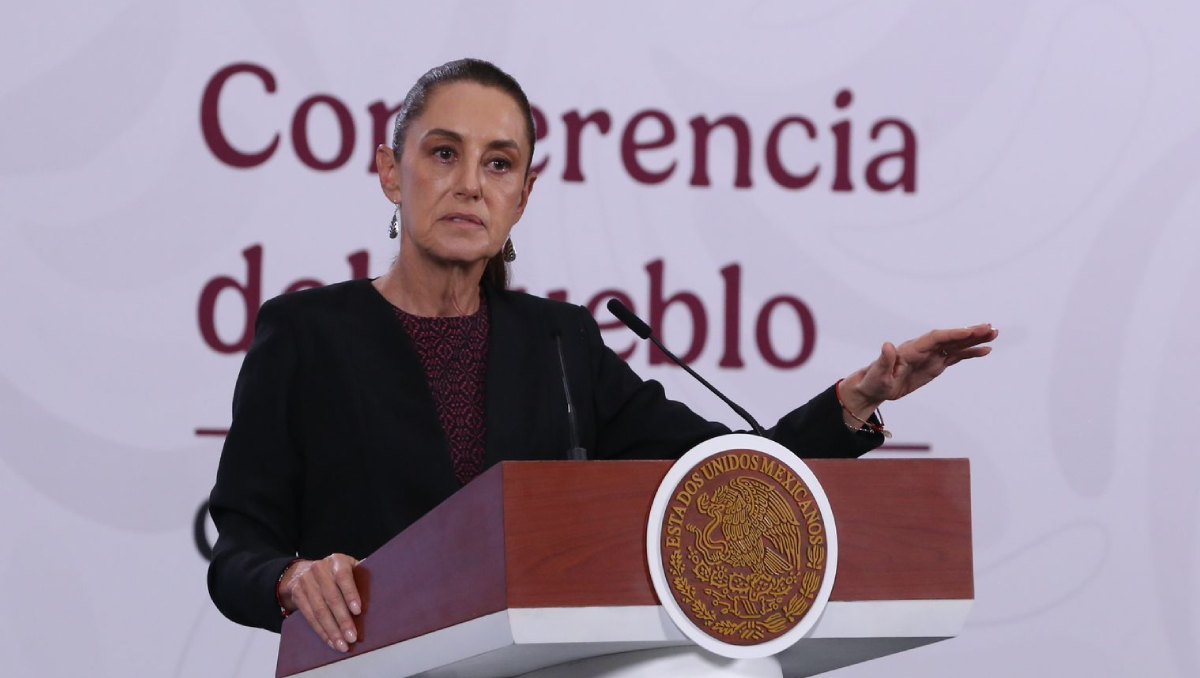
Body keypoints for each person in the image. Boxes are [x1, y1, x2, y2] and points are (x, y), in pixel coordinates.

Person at [206, 58, 997, 654]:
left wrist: (855, 401)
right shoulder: (306, 334)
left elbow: (725, 479)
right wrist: (288, 578)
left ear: (524, 195)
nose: (470, 185)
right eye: (443, 154)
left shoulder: (560, 343)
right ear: (390, 172)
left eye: (498, 163)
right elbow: (237, 549)